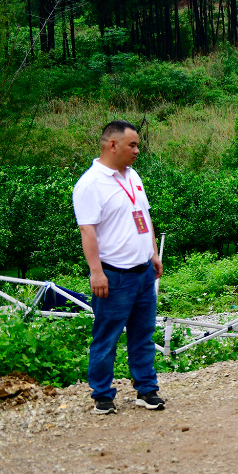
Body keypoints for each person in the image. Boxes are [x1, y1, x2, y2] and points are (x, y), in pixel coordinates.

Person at [72, 121, 165, 414]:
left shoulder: (133, 175)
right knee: (107, 336)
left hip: (142, 272)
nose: (138, 150)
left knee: (143, 334)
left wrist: (152, 253)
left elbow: (144, 216)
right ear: (113, 145)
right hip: (114, 275)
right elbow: (87, 231)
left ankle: (146, 390)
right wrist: (96, 271)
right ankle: (102, 394)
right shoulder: (90, 184)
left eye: (137, 145)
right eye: (132, 145)